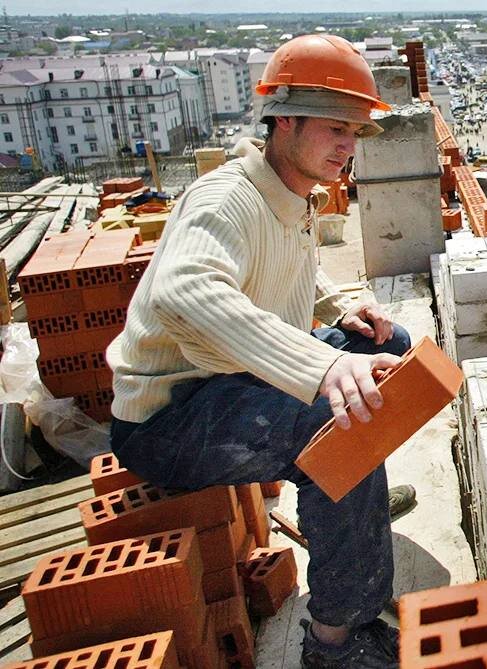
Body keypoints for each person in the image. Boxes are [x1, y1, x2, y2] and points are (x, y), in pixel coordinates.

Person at [106, 35, 409, 668]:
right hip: (172, 413)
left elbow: (279, 270)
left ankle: (351, 497)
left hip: (232, 376)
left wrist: (336, 312)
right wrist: (322, 366)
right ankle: (337, 638)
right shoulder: (227, 199)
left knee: (390, 348)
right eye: (334, 128)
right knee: (341, 426)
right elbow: (186, 291)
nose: (348, 146)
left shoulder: (291, 190)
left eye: (355, 132)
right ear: (285, 120)